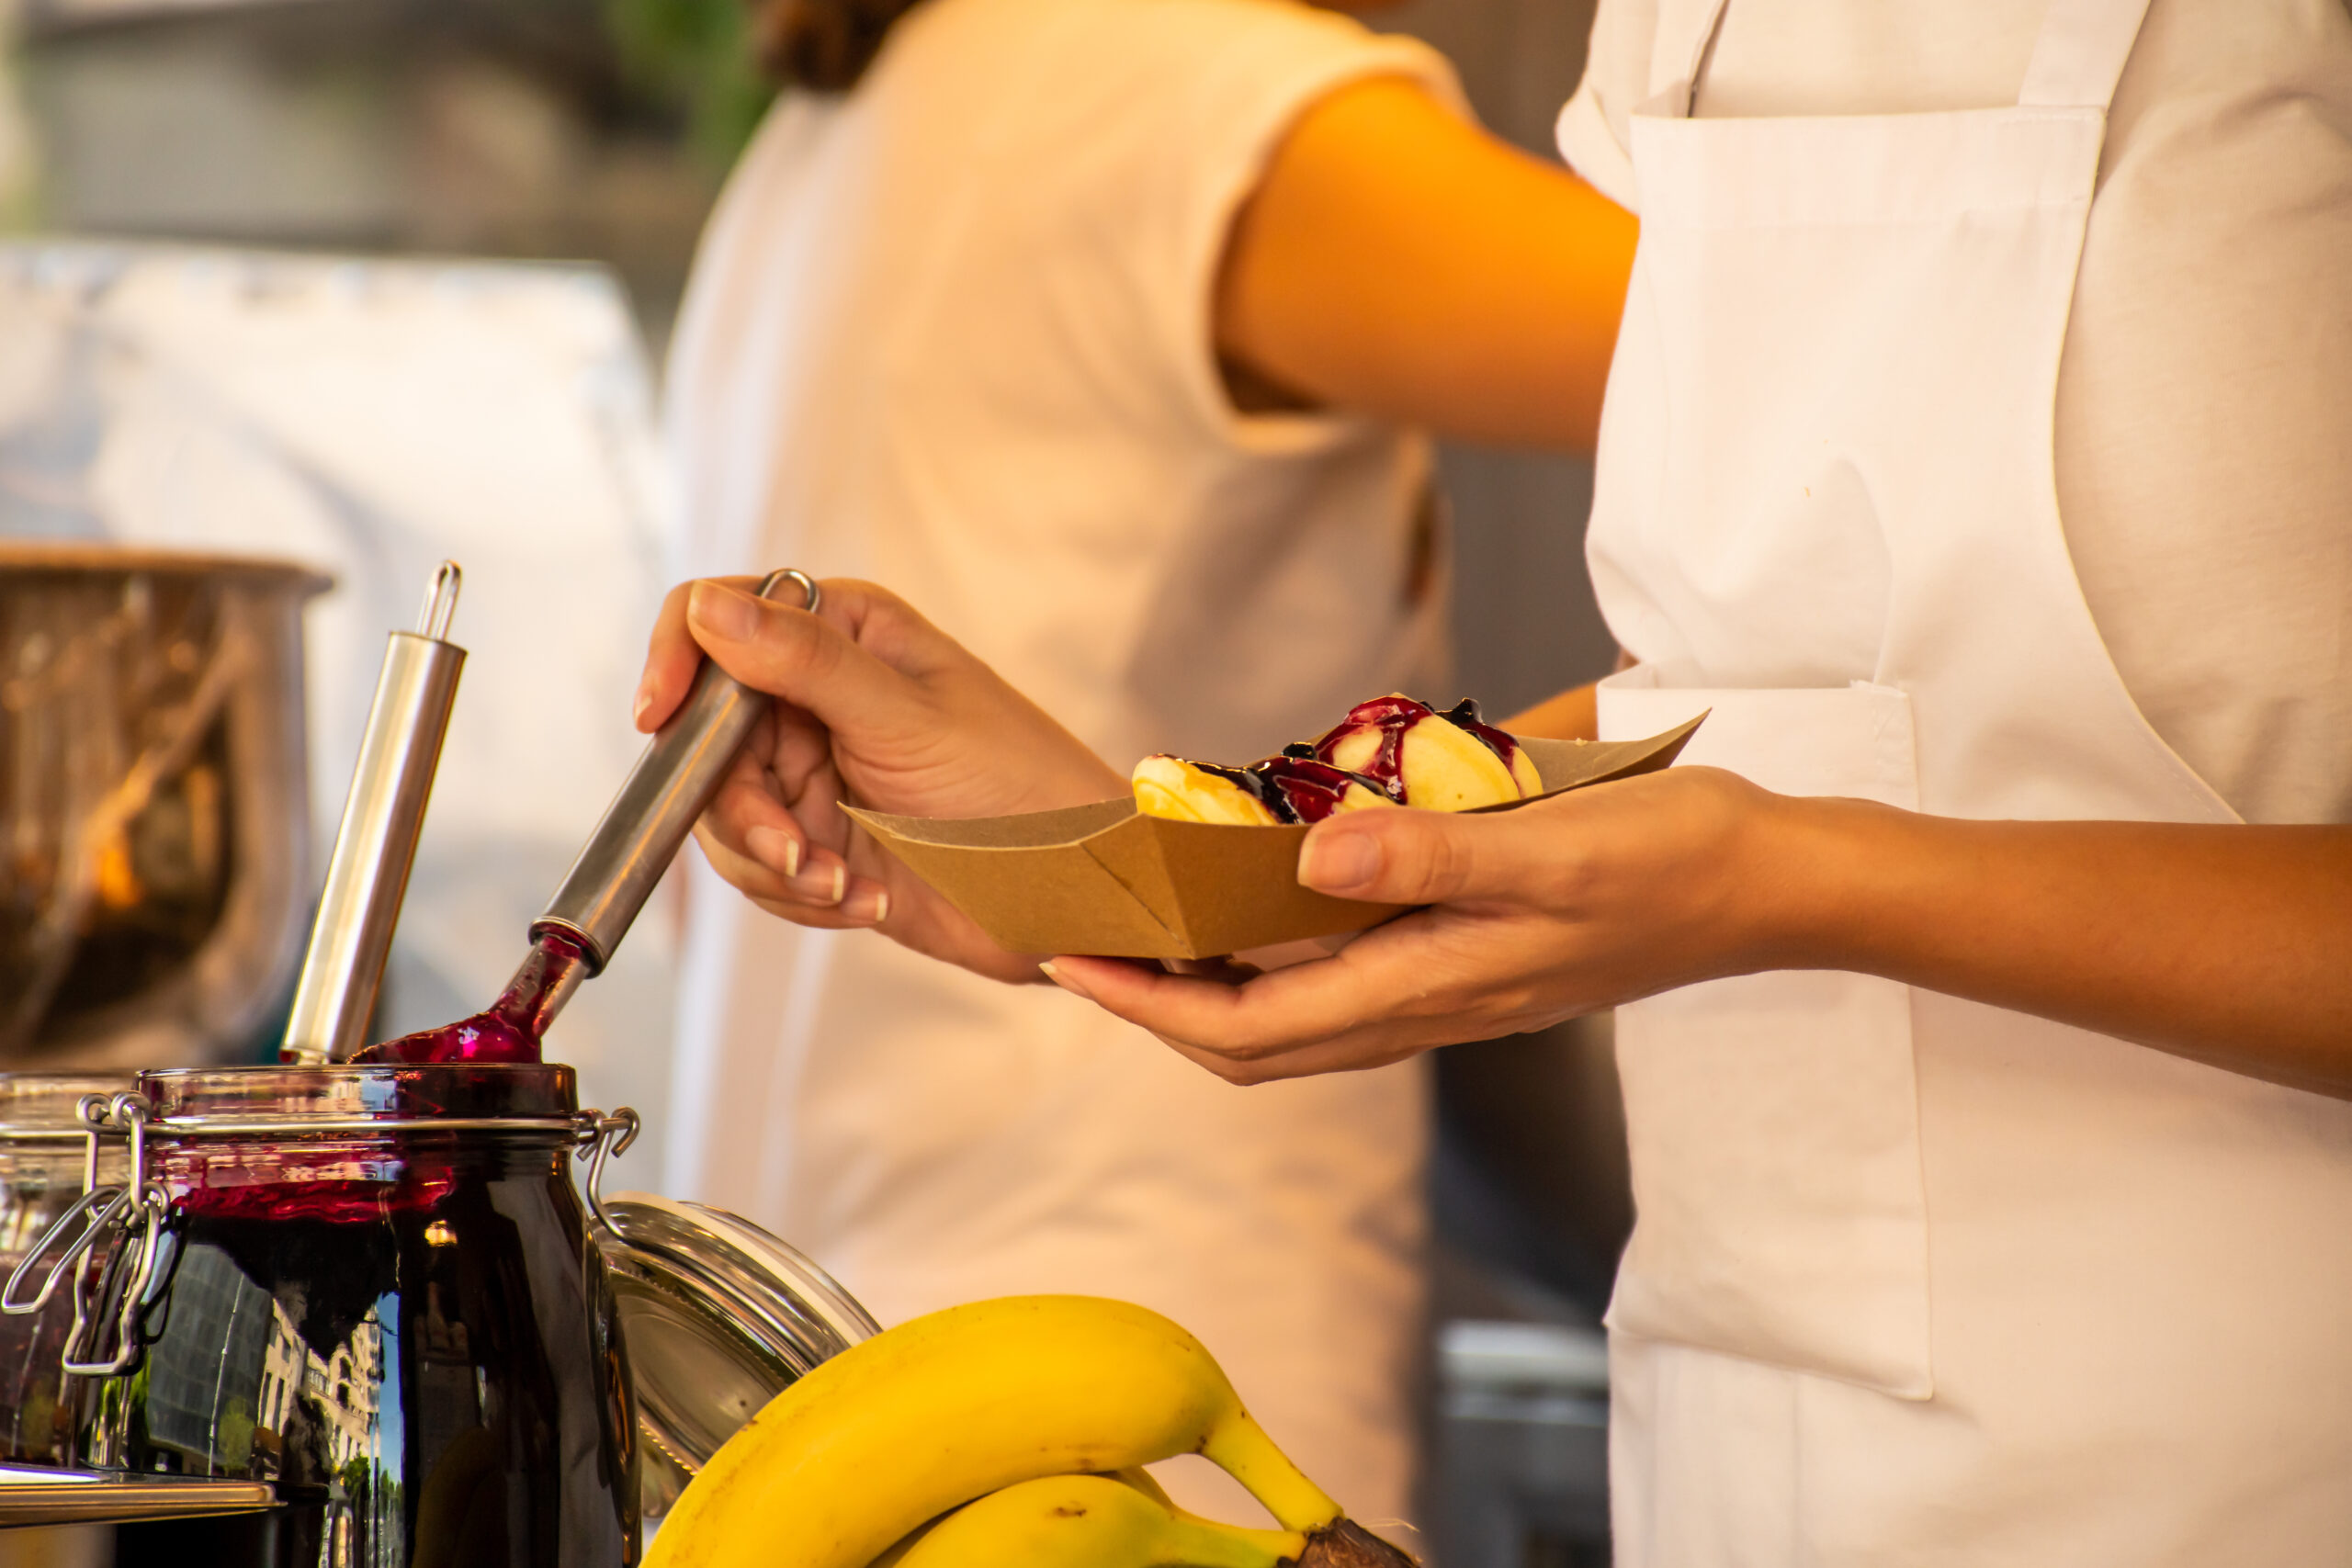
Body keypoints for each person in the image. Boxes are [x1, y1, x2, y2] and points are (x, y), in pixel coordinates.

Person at [639, 0, 2352, 1560]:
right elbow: (1805, 538)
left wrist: (1130, 850)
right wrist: (1136, 862)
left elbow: (1841, 559)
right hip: (1691, 1416)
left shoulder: (826, 147)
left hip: (2230, 1451)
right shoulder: (1208, 101)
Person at [655, 0, 1634, 1526]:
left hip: (820, 1336)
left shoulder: (806, 155)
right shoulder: (1219, 115)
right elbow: (1802, 395)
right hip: (1138, 1318)